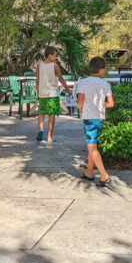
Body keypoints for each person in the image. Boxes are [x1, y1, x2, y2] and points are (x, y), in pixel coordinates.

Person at [76, 56, 115, 187]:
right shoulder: (105, 84)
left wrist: (83, 108)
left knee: (92, 148)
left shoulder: (82, 82)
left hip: (88, 118)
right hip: (99, 118)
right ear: (102, 70)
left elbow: (80, 102)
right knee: (92, 146)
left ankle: (104, 175)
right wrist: (99, 104)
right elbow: (111, 104)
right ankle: (89, 172)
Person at [36, 46, 71, 142]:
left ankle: (40, 130)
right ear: (49, 55)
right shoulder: (55, 66)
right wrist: (67, 89)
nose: (56, 58)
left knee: (41, 112)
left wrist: (38, 91)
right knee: (51, 114)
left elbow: (38, 80)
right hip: (52, 93)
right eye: (55, 55)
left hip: (42, 93)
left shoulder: (39, 65)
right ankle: (49, 137)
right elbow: (61, 79)